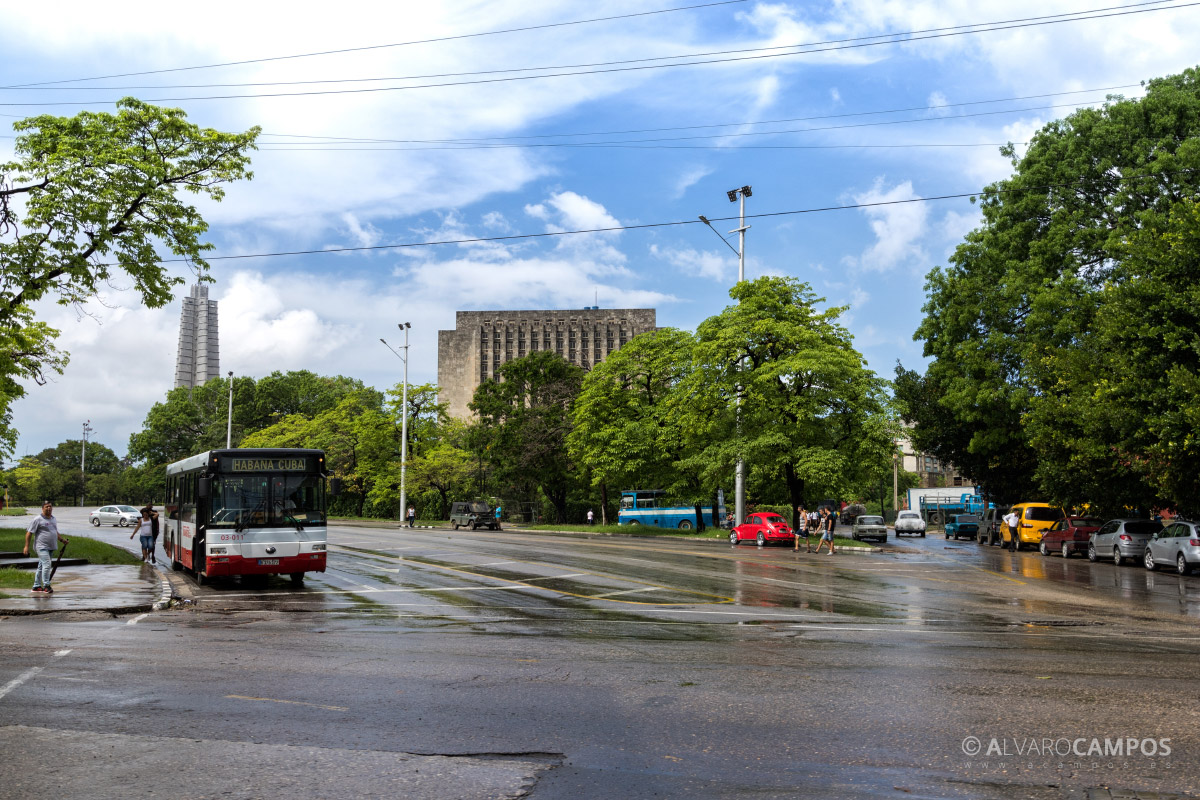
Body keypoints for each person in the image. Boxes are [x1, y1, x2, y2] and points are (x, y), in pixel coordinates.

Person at [24, 502, 68, 594]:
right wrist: (26, 546)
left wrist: (62, 540)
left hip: (51, 547)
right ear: (42, 509)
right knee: (47, 564)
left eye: (50, 506)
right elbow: (29, 533)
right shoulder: (37, 519)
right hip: (41, 547)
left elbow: (55, 531)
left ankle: (36, 586)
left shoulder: (53, 519)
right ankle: (46, 586)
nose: (49, 508)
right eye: (46, 507)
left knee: (41, 566)